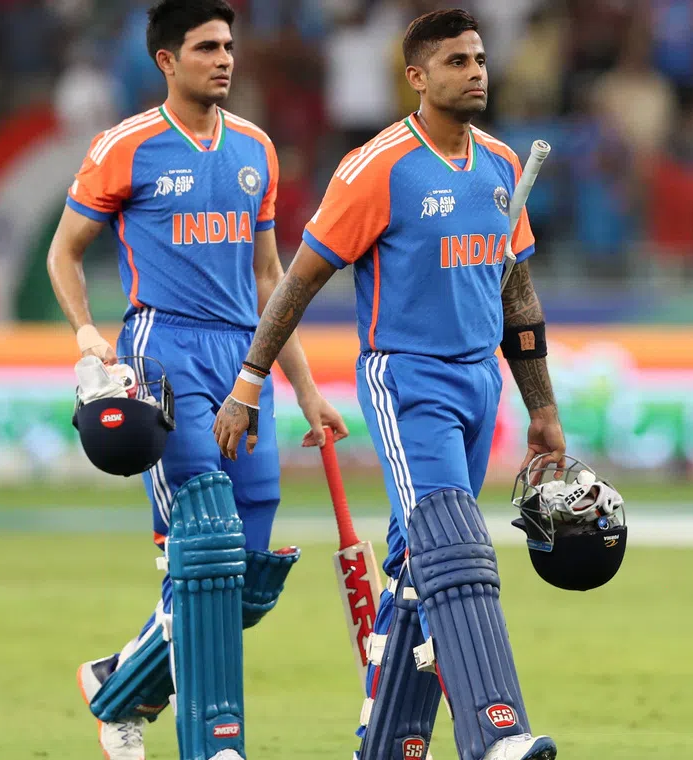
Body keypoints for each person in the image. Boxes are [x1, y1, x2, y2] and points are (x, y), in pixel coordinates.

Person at [213, 10, 563, 760]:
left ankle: (388, 746)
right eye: (457, 62)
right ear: (416, 77)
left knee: (417, 568)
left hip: (480, 383)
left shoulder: (502, 165)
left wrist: (543, 408)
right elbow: (298, 281)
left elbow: (519, 297)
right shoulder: (376, 167)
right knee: (457, 545)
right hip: (409, 381)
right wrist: (249, 380)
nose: (476, 71)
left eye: (479, 58)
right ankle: (495, 732)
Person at [46, 2, 347, 759]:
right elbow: (63, 252)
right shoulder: (126, 146)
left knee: (244, 580)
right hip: (164, 352)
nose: (224, 59)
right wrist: (86, 331)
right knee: (205, 548)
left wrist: (305, 387)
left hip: (246, 358)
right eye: (206, 46)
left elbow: (271, 275)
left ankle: (117, 684)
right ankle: (214, 742)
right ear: (165, 61)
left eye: (229, 46)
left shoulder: (256, 149)